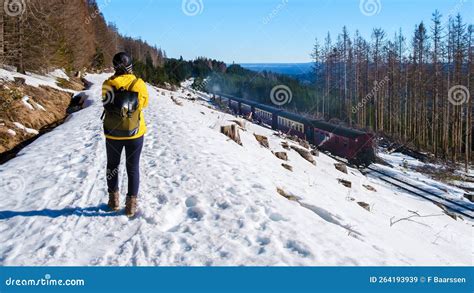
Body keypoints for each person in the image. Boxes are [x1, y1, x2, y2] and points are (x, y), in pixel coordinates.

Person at [102, 52, 149, 217]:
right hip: (134, 133)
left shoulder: (108, 83)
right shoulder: (139, 84)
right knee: (133, 167)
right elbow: (143, 104)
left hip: (113, 133)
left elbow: (106, 104)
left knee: (112, 166)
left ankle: (113, 201)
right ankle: (131, 206)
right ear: (130, 66)